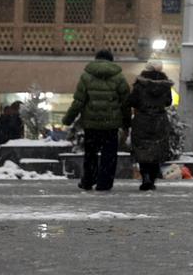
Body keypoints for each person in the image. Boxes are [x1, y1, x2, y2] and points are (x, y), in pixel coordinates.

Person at [63, 50, 132, 191]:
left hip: (91, 124)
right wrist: (127, 123)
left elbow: (79, 101)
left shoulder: (86, 77)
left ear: (96, 60)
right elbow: (125, 103)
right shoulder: (119, 78)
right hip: (111, 125)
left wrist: (68, 119)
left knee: (91, 154)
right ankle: (104, 183)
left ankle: (88, 180)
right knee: (109, 155)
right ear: (111, 61)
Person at [127, 61, 174, 191]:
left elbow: (132, 101)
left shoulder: (140, 84)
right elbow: (168, 102)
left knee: (143, 149)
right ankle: (152, 178)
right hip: (159, 120)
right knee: (157, 149)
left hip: (142, 119)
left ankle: (145, 176)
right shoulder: (165, 86)